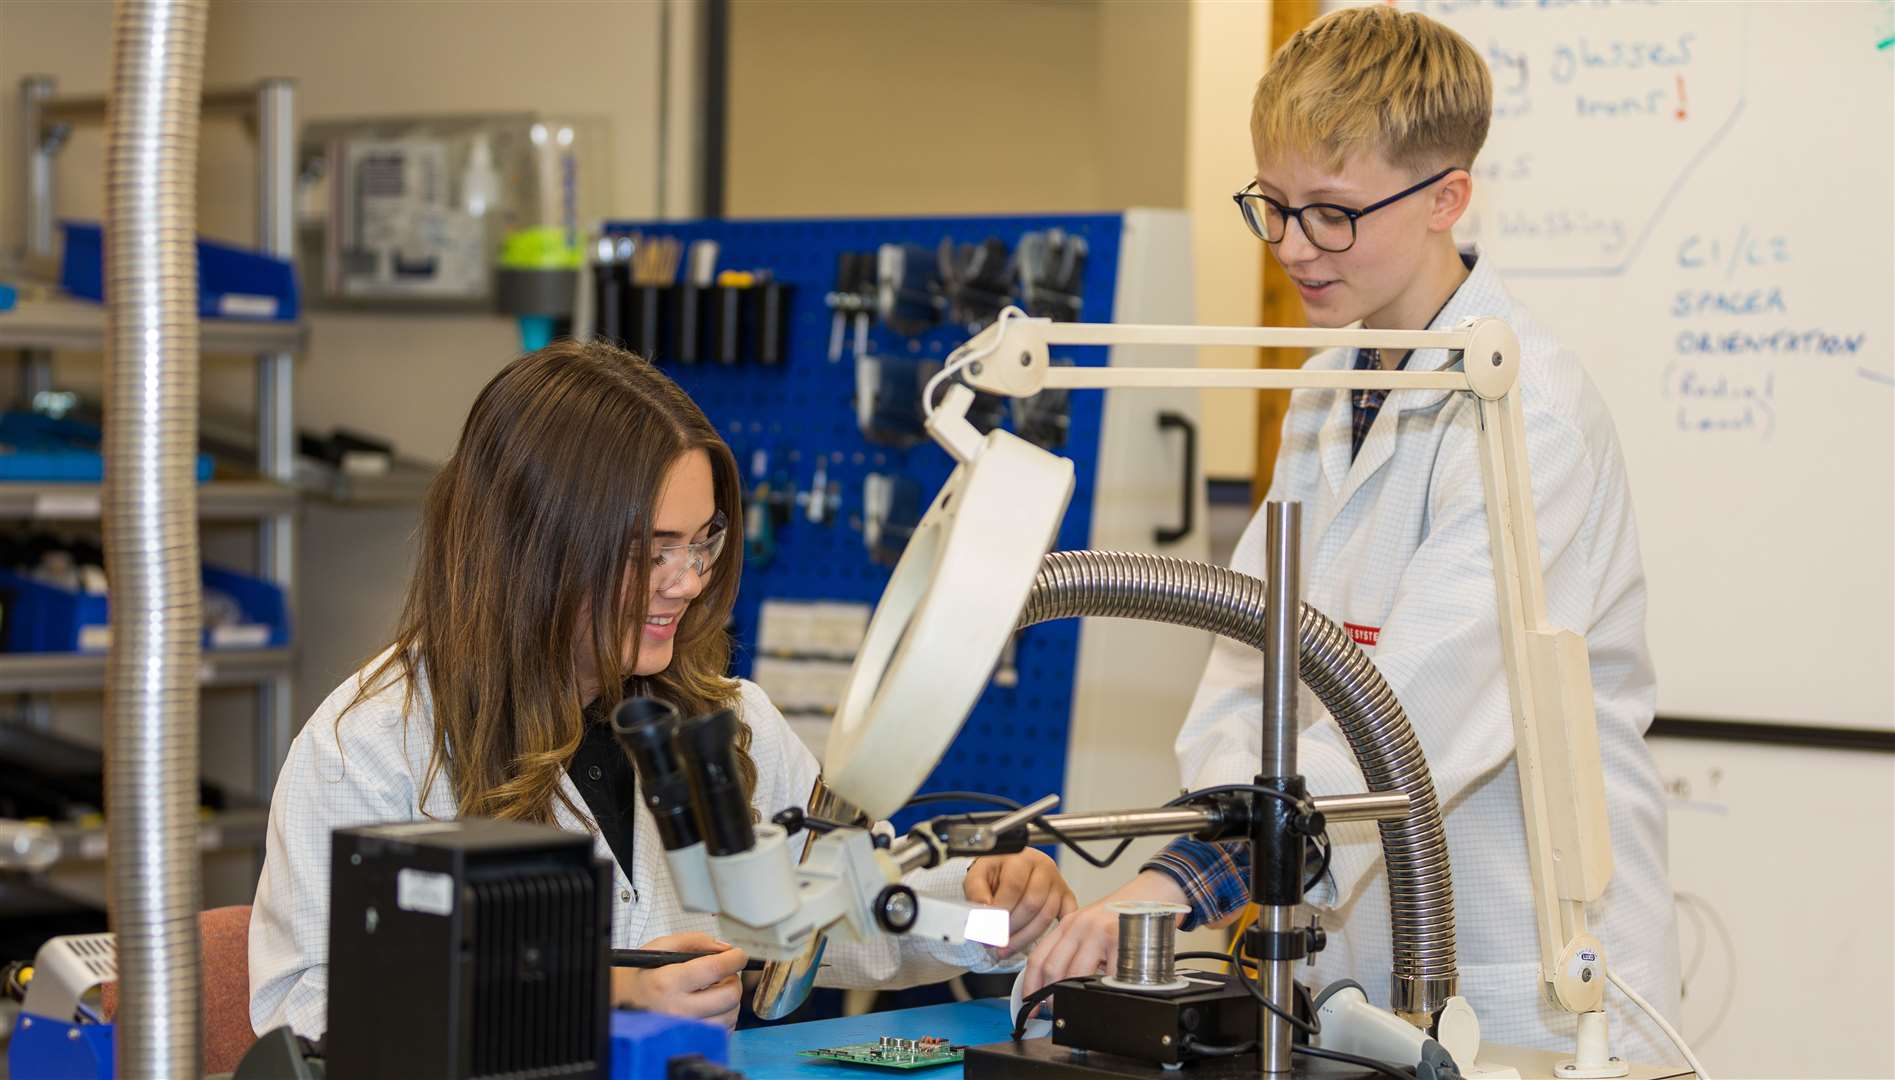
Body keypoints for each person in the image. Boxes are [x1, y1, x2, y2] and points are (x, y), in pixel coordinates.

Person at [1022, 5, 1680, 1061]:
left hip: (1524, 980)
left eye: (1330, 213)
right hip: (1352, 964)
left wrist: (1177, 884)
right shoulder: (1333, 380)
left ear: (1445, 198)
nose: (1290, 246)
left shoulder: (1527, 413)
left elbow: (1410, 715)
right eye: (1272, 207)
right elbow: (1250, 661)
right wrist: (1202, 850)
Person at [250, 341, 1075, 1039]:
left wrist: (981, 910)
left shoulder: (724, 719)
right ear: (532, 546)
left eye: (703, 542)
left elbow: (843, 921)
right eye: (650, 551)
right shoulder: (372, 746)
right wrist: (598, 1001)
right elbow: (304, 1018)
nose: (684, 583)